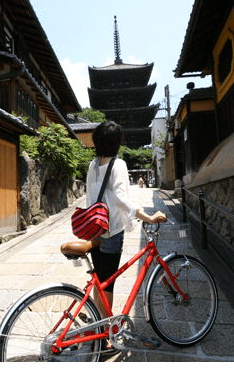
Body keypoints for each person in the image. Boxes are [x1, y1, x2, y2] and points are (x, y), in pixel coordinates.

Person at [61, 121, 166, 351]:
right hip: (110, 232)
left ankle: (99, 326)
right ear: (116, 142)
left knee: (102, 281)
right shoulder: (118, 164)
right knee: (107, 285)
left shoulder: (92, 164)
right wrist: (147, 217)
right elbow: (121, 198)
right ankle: (105, 337)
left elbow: (91, 197)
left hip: (95, 229)